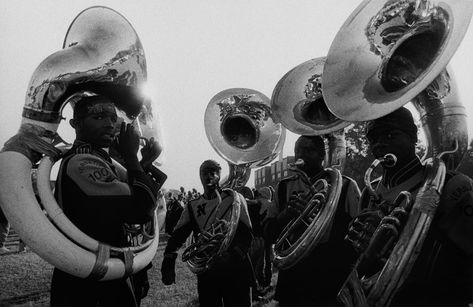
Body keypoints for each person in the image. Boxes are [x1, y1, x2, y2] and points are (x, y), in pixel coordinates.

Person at [347, 107, 473, 306]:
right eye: (373, 138)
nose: (380, 143)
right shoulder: (368, 193)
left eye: (391, 134)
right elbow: (362, 257)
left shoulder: (452, 184)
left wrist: (399, 236)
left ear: (413, 137)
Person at [50, 95, 166, 307]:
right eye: (99, 116)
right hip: (89, 280)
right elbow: (140, 208)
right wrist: (131, 158)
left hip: (108, 269)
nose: (110, 123)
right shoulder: (82, 162)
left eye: (113, 118)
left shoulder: (101, 161)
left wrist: (144, 163)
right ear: (76, 124)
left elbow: (140, 200)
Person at [264, 135, 361, 306]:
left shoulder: (346, 185)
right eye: (298, 150)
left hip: (331, 277)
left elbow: (358, 235)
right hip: (293, 277)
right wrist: (286, 214)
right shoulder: (283, 187)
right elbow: (268, 233)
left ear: (322, 156)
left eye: (309, 150)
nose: (301, 154)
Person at [161, 160, 254, 307]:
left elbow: (247, 234)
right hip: (208, 272)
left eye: (213, 171)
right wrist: (169, 259)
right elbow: (178, 236)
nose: (208, 175)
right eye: (204, 172)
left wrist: (232, 255)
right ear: (200, 176)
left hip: (236, 269)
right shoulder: (192, 205)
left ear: (219, 175)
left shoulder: (235, 198)